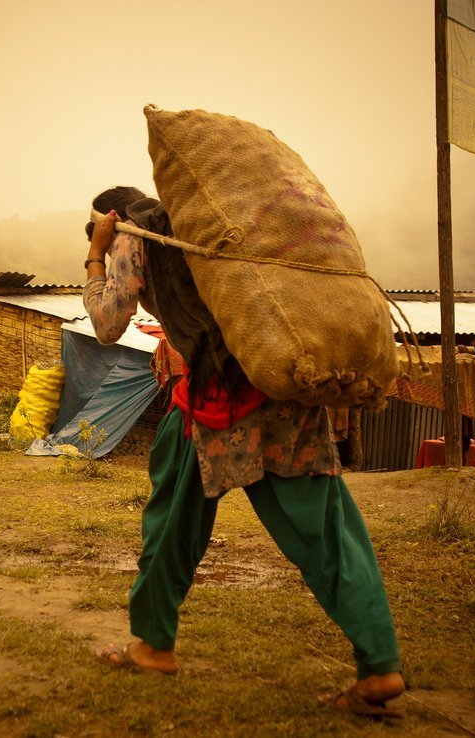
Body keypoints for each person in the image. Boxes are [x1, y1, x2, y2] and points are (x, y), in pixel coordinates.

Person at [83, 186, 406, 718]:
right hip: (283, 390)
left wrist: (97, 252)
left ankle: (153, 644)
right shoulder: (203, 231)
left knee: (169, 527)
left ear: (111, 217)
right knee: (327, 531)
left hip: (221, 402)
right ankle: (380, 662)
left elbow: (107, 322)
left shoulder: (132, 240)